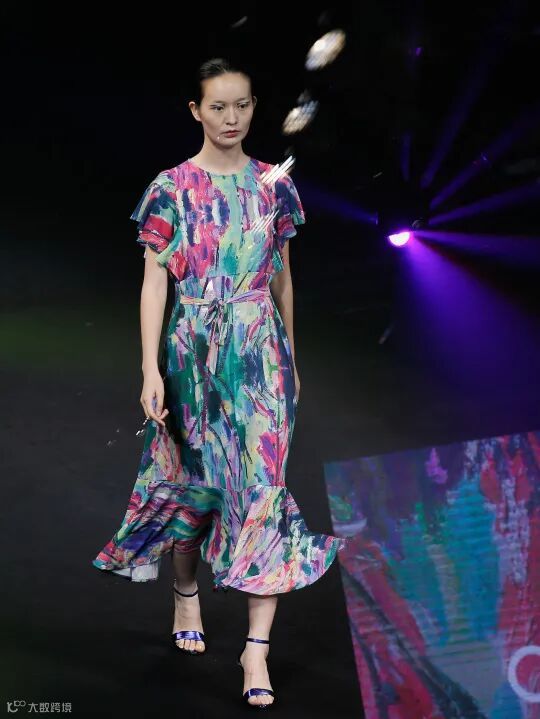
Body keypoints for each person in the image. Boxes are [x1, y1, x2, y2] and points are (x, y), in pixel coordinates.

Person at [92, 57, 346, 709]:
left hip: (261, 356)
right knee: (196, 489)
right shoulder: (171, 187)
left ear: (255, 107)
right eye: (218, 106)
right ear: (196, 111)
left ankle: (255, 649)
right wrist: (149, 367)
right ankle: (185, 591)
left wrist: (290, 358)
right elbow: (154, 282)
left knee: (264, 491)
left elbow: (283, 276)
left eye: (242, 105)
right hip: (194, 356)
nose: (232, 118)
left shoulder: (273, 185)